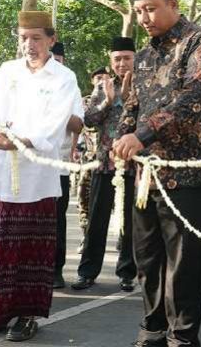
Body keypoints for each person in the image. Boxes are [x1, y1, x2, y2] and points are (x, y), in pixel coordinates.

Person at [113, 0, 201, 346]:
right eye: (139, 11)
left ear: (173, 4)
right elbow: (132, 105)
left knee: (184, 264)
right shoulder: (143, 56)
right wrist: (121, 139)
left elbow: (195, 98)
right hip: (147, 177)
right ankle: (153, 328)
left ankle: (182, 336)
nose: (144, 18)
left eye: (151, 9)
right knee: (146, 257)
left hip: (189, 177)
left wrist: (141, 135)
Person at [0, 10, 79, 342]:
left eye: (36, 38)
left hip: (37, 178)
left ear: (51, 39)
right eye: (23, 38)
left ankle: (26, 316)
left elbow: (57, 122)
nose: (29, 45)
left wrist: (25, 141)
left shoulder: (64, 77)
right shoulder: (7, 71)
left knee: (30, 251)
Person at [72, 37, 137, 292]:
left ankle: (127, 273)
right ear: (111, 61)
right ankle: (87, 272)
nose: (122, 63)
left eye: (126, 58)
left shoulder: (145, 86)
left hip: (133, 164)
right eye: (117, 59)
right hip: (103, 164)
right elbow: (89, 121)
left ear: (135, 58)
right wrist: (107, 101)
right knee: (96, 220)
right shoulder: (102, 87)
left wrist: (131, 98)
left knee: (130, 222)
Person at [50, 40, 84, 289]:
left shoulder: (68, 83)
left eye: (56, 60)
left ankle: (55, 269)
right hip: (27, 165)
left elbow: (77, 125)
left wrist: (58, 110)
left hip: (57, 164)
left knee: (56, 220)